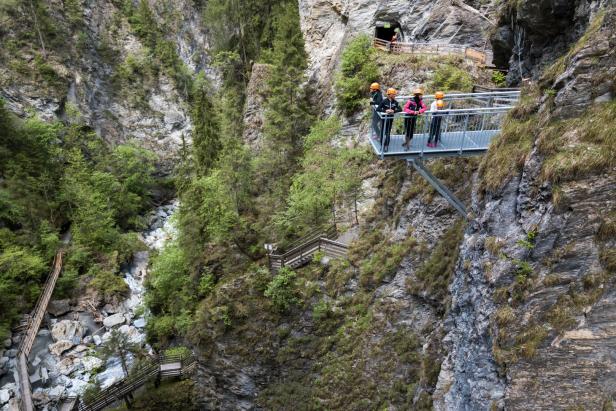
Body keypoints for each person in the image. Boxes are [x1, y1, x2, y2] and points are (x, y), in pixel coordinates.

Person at [376, 88, 401, 152]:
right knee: (382, 132)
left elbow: (400, 109)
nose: (394, 95)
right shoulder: (384, 101)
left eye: (394, 94)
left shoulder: (395, 102)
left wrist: (393, 111)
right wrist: (385, 111)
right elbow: (378, 109)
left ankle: (386, 146)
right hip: (384, 119)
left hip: (390, 119)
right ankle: (382, 145)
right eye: (393, 94)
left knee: (388, 133)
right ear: (389, 95)